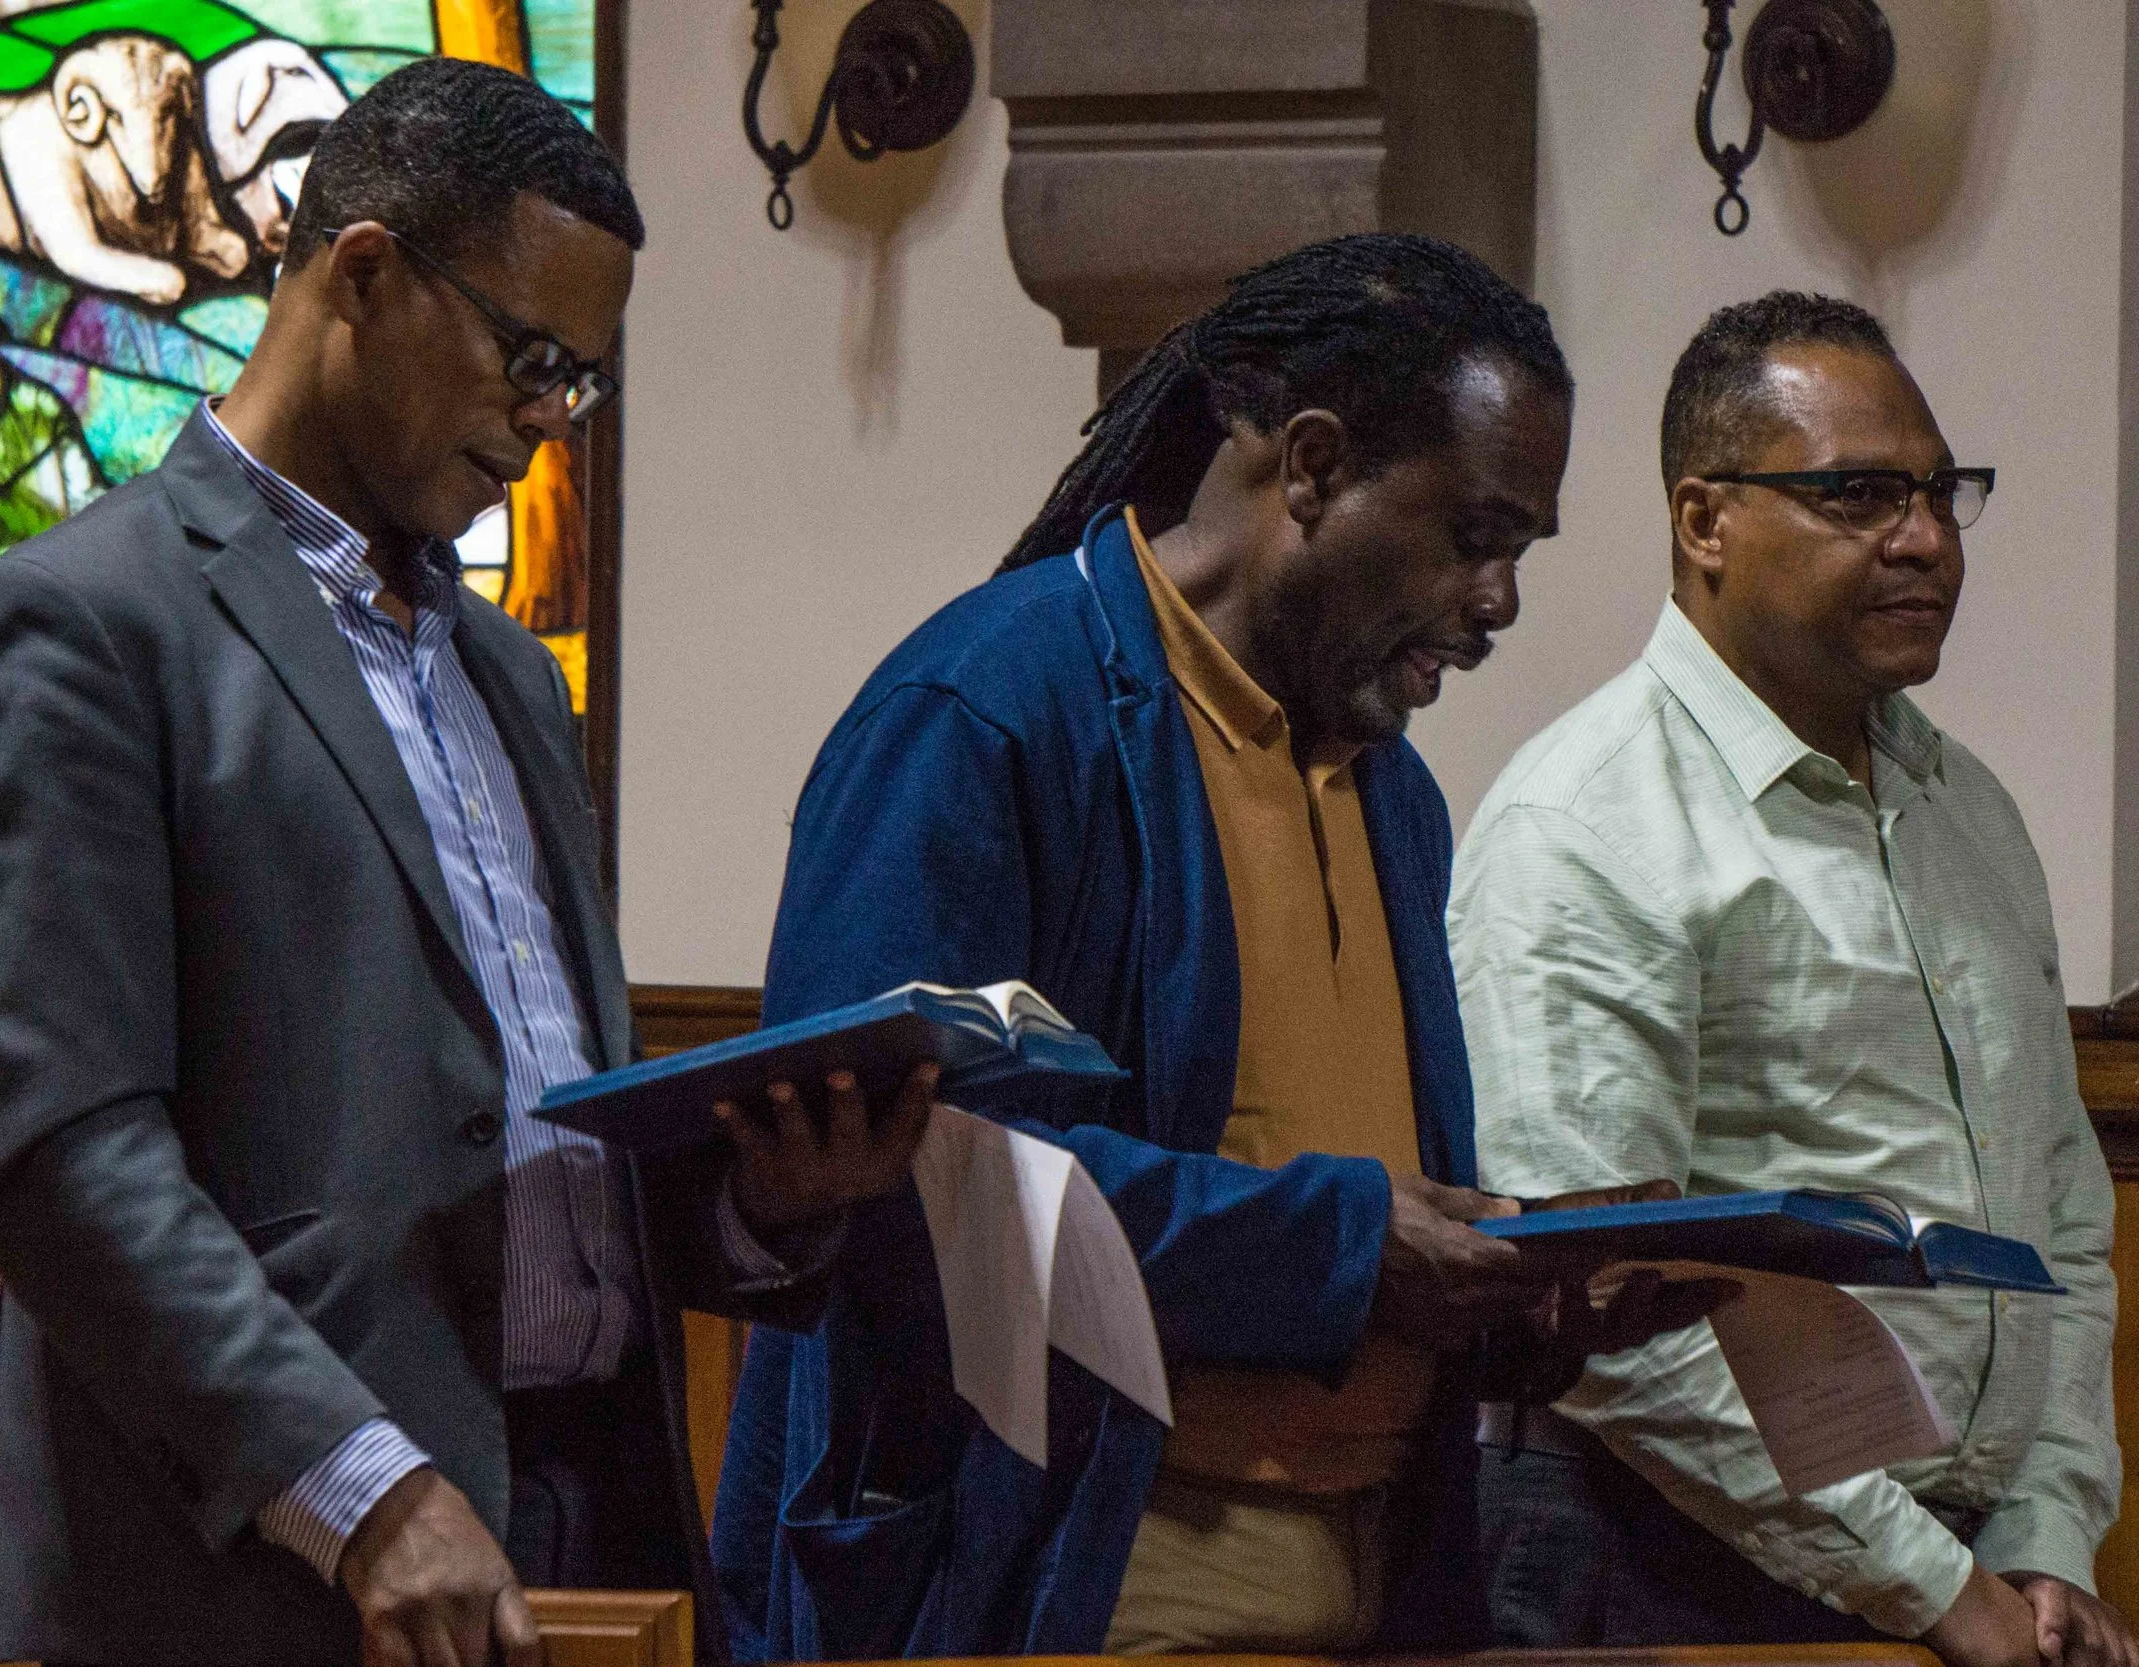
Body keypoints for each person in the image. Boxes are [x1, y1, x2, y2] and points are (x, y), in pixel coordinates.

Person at [0, 58, 927, 1667]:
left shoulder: (509, 675)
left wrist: (755, 1204)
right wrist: (363, 1488)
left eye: (583, 383)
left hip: (575, 1513)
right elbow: (62, 1153)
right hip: (256, 1570)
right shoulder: (83, 621)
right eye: (532, 359)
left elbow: (517, 1136)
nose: (550, 418)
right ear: (366, 276)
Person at [710, 233, 1720, 1663]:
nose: (1500, 602)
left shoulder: (1394, 795)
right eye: (1474, 537)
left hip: (1381, 1582)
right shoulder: (984, 712)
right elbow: (906, 1185)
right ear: (1311, 465)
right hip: (1084, 1587)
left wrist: (1518, 1300)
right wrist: (1349, 1245)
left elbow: (1338, 1227)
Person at [1448, 291, 2130, 1667]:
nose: (1925, 538)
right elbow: (1608, 1306)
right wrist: (1935, 1587)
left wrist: (2041, 1535)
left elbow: (2061, 1215)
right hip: (1659, 1563)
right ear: (1704, 521)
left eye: (1941, 491)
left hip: (1958, 1573)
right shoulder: (1588, 823)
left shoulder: (1966, 810)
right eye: (1860, 495)